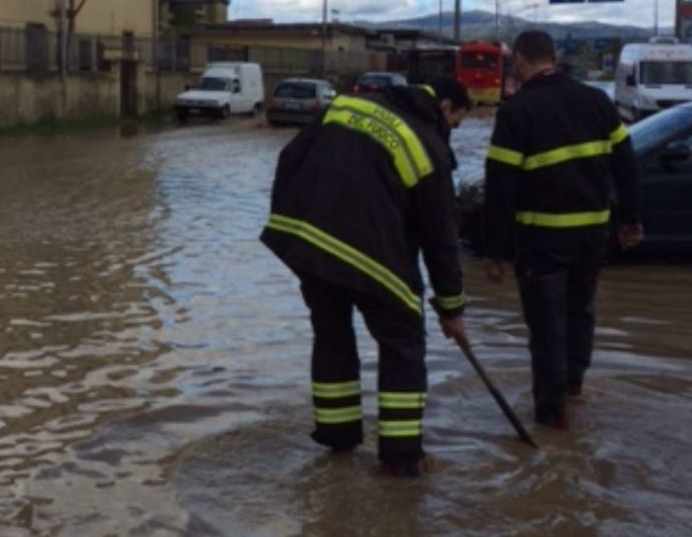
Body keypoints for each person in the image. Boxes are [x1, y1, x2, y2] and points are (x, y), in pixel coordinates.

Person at [261, 78, 471, 477]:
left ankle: (338, 439)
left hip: (307, 243)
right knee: (404, 343)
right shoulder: (428, 147)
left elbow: (290, 158)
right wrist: (451, 307)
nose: (452, 134)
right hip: (369, 254)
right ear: (445, 107)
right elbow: (441, 239)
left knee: (332, 335)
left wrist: (290, 224)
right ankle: (402, 457)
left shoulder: (349, 105)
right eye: (456, 124)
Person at [482, 30, 643, 430]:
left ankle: (552, 416)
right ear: (553, 57)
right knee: (580, 314)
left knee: (547, 326)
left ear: (519, 61)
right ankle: (574, 389)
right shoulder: (596, 100)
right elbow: (626, 164)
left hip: (542, 239)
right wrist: (630, 219)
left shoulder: (517, 112)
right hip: (592, 235)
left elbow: (500, 186)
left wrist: (495, 250)